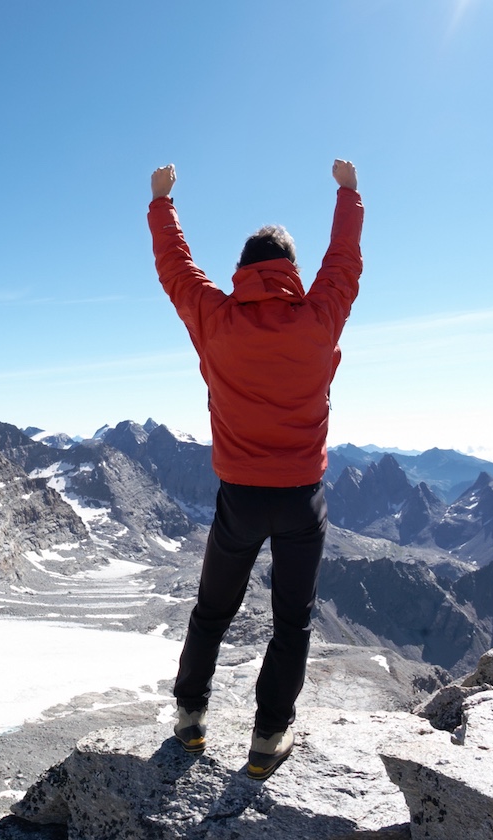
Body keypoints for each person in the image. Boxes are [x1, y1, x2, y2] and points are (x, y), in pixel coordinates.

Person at [147, 159, 363, 780]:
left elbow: (177, 272)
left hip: (239, 498)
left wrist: (162, 204)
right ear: (292, 272)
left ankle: (190, 718)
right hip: (302, 500)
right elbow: (343, 264)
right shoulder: (319, 316)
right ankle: (268, 737)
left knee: (212, 610)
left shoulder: (216, 319)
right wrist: (348, 195)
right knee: (291, 619)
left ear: (241, 269)